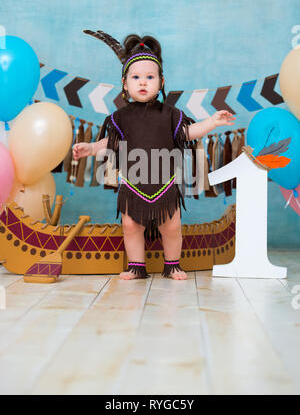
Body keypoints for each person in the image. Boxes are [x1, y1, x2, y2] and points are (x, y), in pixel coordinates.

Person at [73, 31, 235, 280]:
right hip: (133, 184)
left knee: (171, 227)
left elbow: (189, 133)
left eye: (150, 77)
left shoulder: (170, 114)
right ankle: (136, 266)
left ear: (161, 82)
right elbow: (113, 142)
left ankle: (172, 264)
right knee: (130, 226)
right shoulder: (120, 117)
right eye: (136, 77)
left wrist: (212, 122)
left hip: (165, 184)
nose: (143, 82)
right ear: (125, 84)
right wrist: (92, 148)